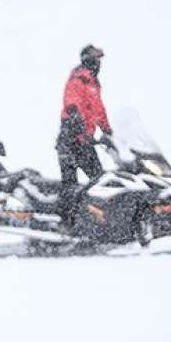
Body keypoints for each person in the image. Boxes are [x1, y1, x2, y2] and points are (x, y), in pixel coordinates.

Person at [55, 44, 112, 219]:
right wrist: (75, 119)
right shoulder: (78, 79)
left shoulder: (93, 84)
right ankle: (66, 221)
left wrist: (107, 130)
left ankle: (98, 219)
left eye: (99, 60)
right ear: (88, 60)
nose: (98, 63)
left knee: (99, 179)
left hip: (84, 140)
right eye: (96, 59)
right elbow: (72, 102)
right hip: (70, 139)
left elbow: (98, 109)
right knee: (70, 183)